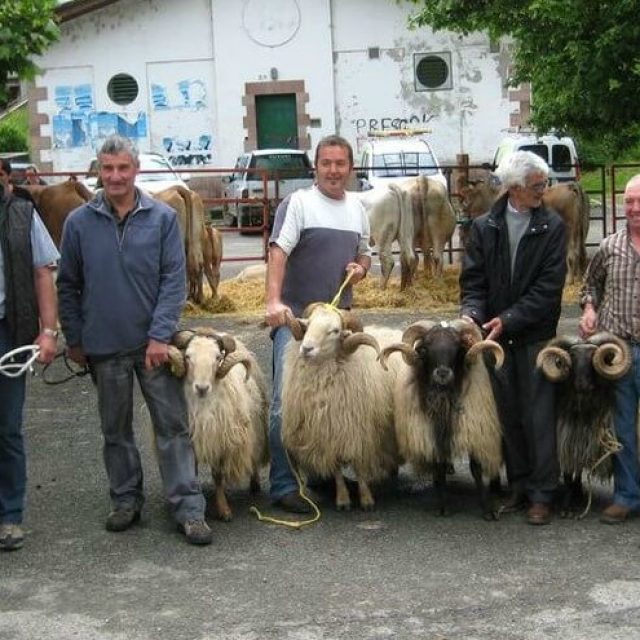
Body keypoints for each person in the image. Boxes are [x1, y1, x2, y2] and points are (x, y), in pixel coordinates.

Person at [57, 135, 211, 545]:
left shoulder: (161, 219)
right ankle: (126, 500)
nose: (115, 176)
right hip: (104, 347)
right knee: (115, 429)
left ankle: (188, 507)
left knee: (172, 426)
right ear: (98, 171)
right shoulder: (79, 223)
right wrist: (75, 337)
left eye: (123, 168)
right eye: (107, 169)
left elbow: (172, 281)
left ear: (136, 169)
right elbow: (68, 284)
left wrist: (161, 336)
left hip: (153, 349)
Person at [264, 134, 371, 513]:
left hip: (336, 327)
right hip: (297, 323)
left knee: (333, 403)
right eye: (326, 163)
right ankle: (282, 483)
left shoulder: (357, 208)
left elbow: (365, 252)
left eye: (340, 164)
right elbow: (278, 251)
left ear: (350, 168)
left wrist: (361, 268)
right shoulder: (299, 204)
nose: (333, 171)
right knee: (285, 404)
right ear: (316, 166)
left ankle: (324, 473)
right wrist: (274, 302)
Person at [460, 150, 567, 526]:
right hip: (494, 336)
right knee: (506, 412)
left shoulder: (551, 227)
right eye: (538, 185)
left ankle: (542, 493)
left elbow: (548, 289)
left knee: (538, 414)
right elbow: (473, 281)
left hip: (534, 335)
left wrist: (508, 318)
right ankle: (518, 484)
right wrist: (470, 315)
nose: (544, 191)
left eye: (544, 184)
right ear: (515, 188)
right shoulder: (485, 226)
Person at [0, 172, 59, 551]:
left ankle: (9, 516)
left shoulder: (22, 212)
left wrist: (49, 331)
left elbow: (43, 270)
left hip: (7, 328)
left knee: (7, 427)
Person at [579, 174, 640, 524]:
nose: (633, 209)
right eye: (629, 202)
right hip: (618, 353)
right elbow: (590, 287)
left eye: (639, 202)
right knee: (622, 428)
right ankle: (626, 496)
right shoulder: (609, 247)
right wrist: (589, 309)